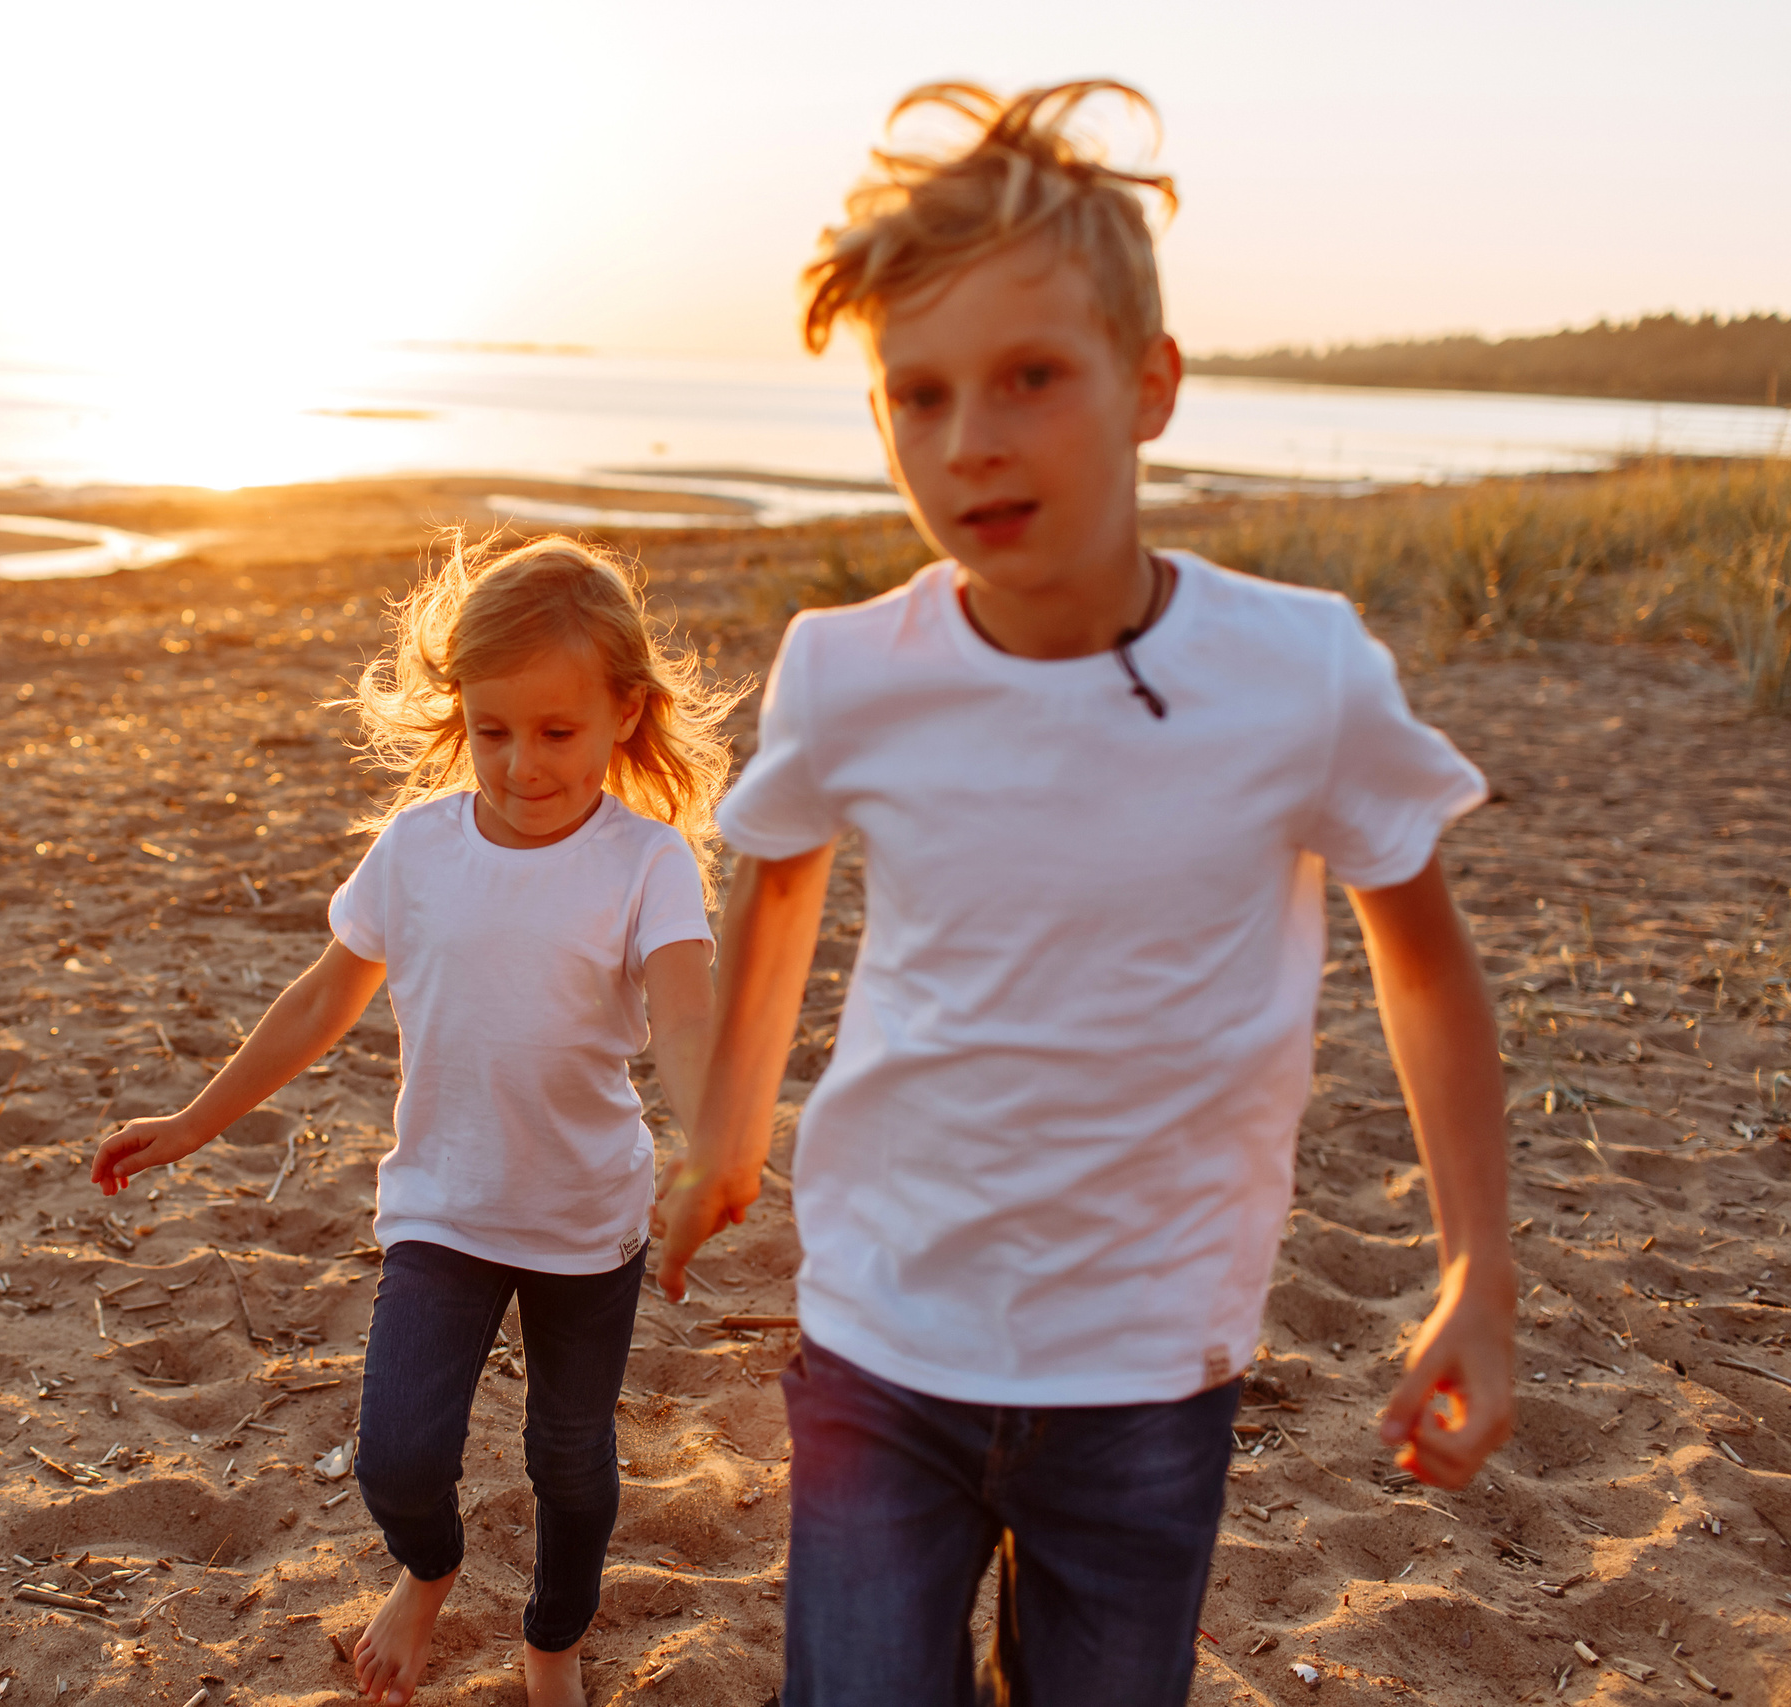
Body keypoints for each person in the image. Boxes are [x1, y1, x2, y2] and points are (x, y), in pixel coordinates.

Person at [650, 80, 1518, 1705]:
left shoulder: (1301, 674)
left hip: (1146, 1367)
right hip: (882, 1337)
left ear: (1151, 385)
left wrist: (1478, 1263)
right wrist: (727, 1137)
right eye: (918, 395)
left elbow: (1425, 968)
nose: (970, 439)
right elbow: (777, 873)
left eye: (1032, 376)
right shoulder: (848, 671)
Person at [92, 533, 739, 1707]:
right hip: (442, 1208)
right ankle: (428, 1570)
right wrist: (195, 1120)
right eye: (492, 731)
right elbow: (321, 1001)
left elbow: (688, 1016)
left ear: (624, 713)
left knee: (569, 1461)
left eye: (557, 731)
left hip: (586, 1220)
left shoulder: (646, 864)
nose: (520, 764)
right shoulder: (418, 849)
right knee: (397, 1458)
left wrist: (710, 1149)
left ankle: (552, 1644)